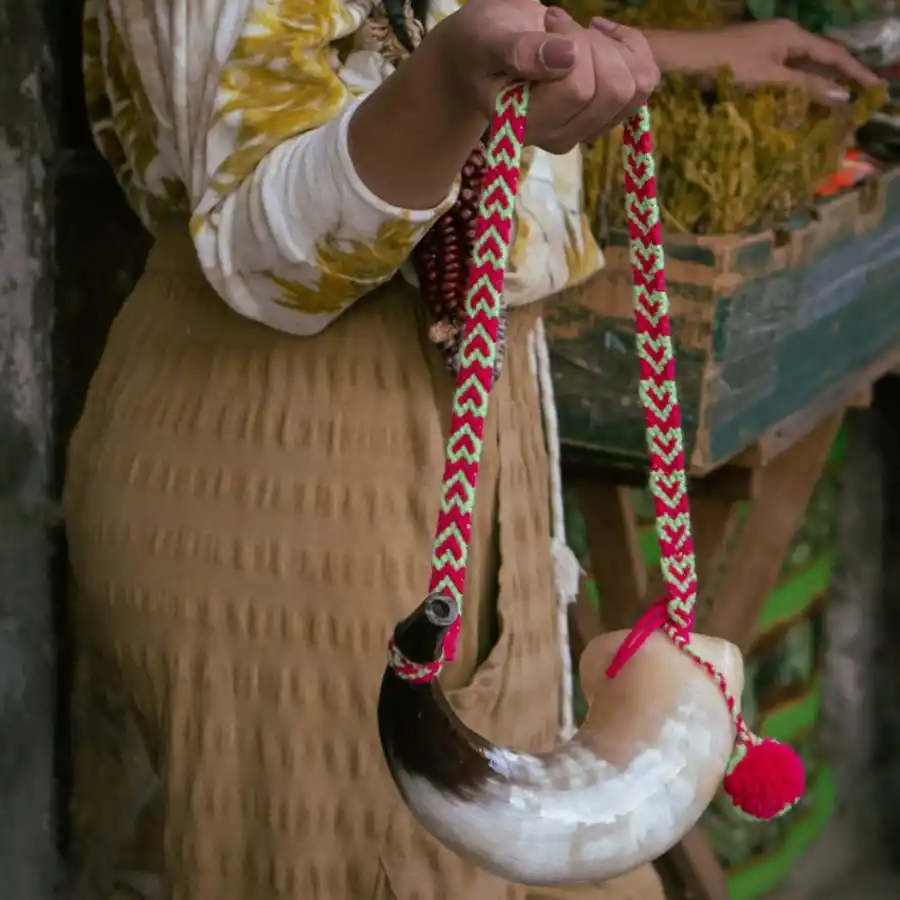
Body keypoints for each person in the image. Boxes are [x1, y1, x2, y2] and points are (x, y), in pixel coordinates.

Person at [65, 2, 877, 899]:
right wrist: (455, 84)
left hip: (476, 406)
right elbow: (273, 256)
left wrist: (653, 56)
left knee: (500, 856)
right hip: (298, 446)